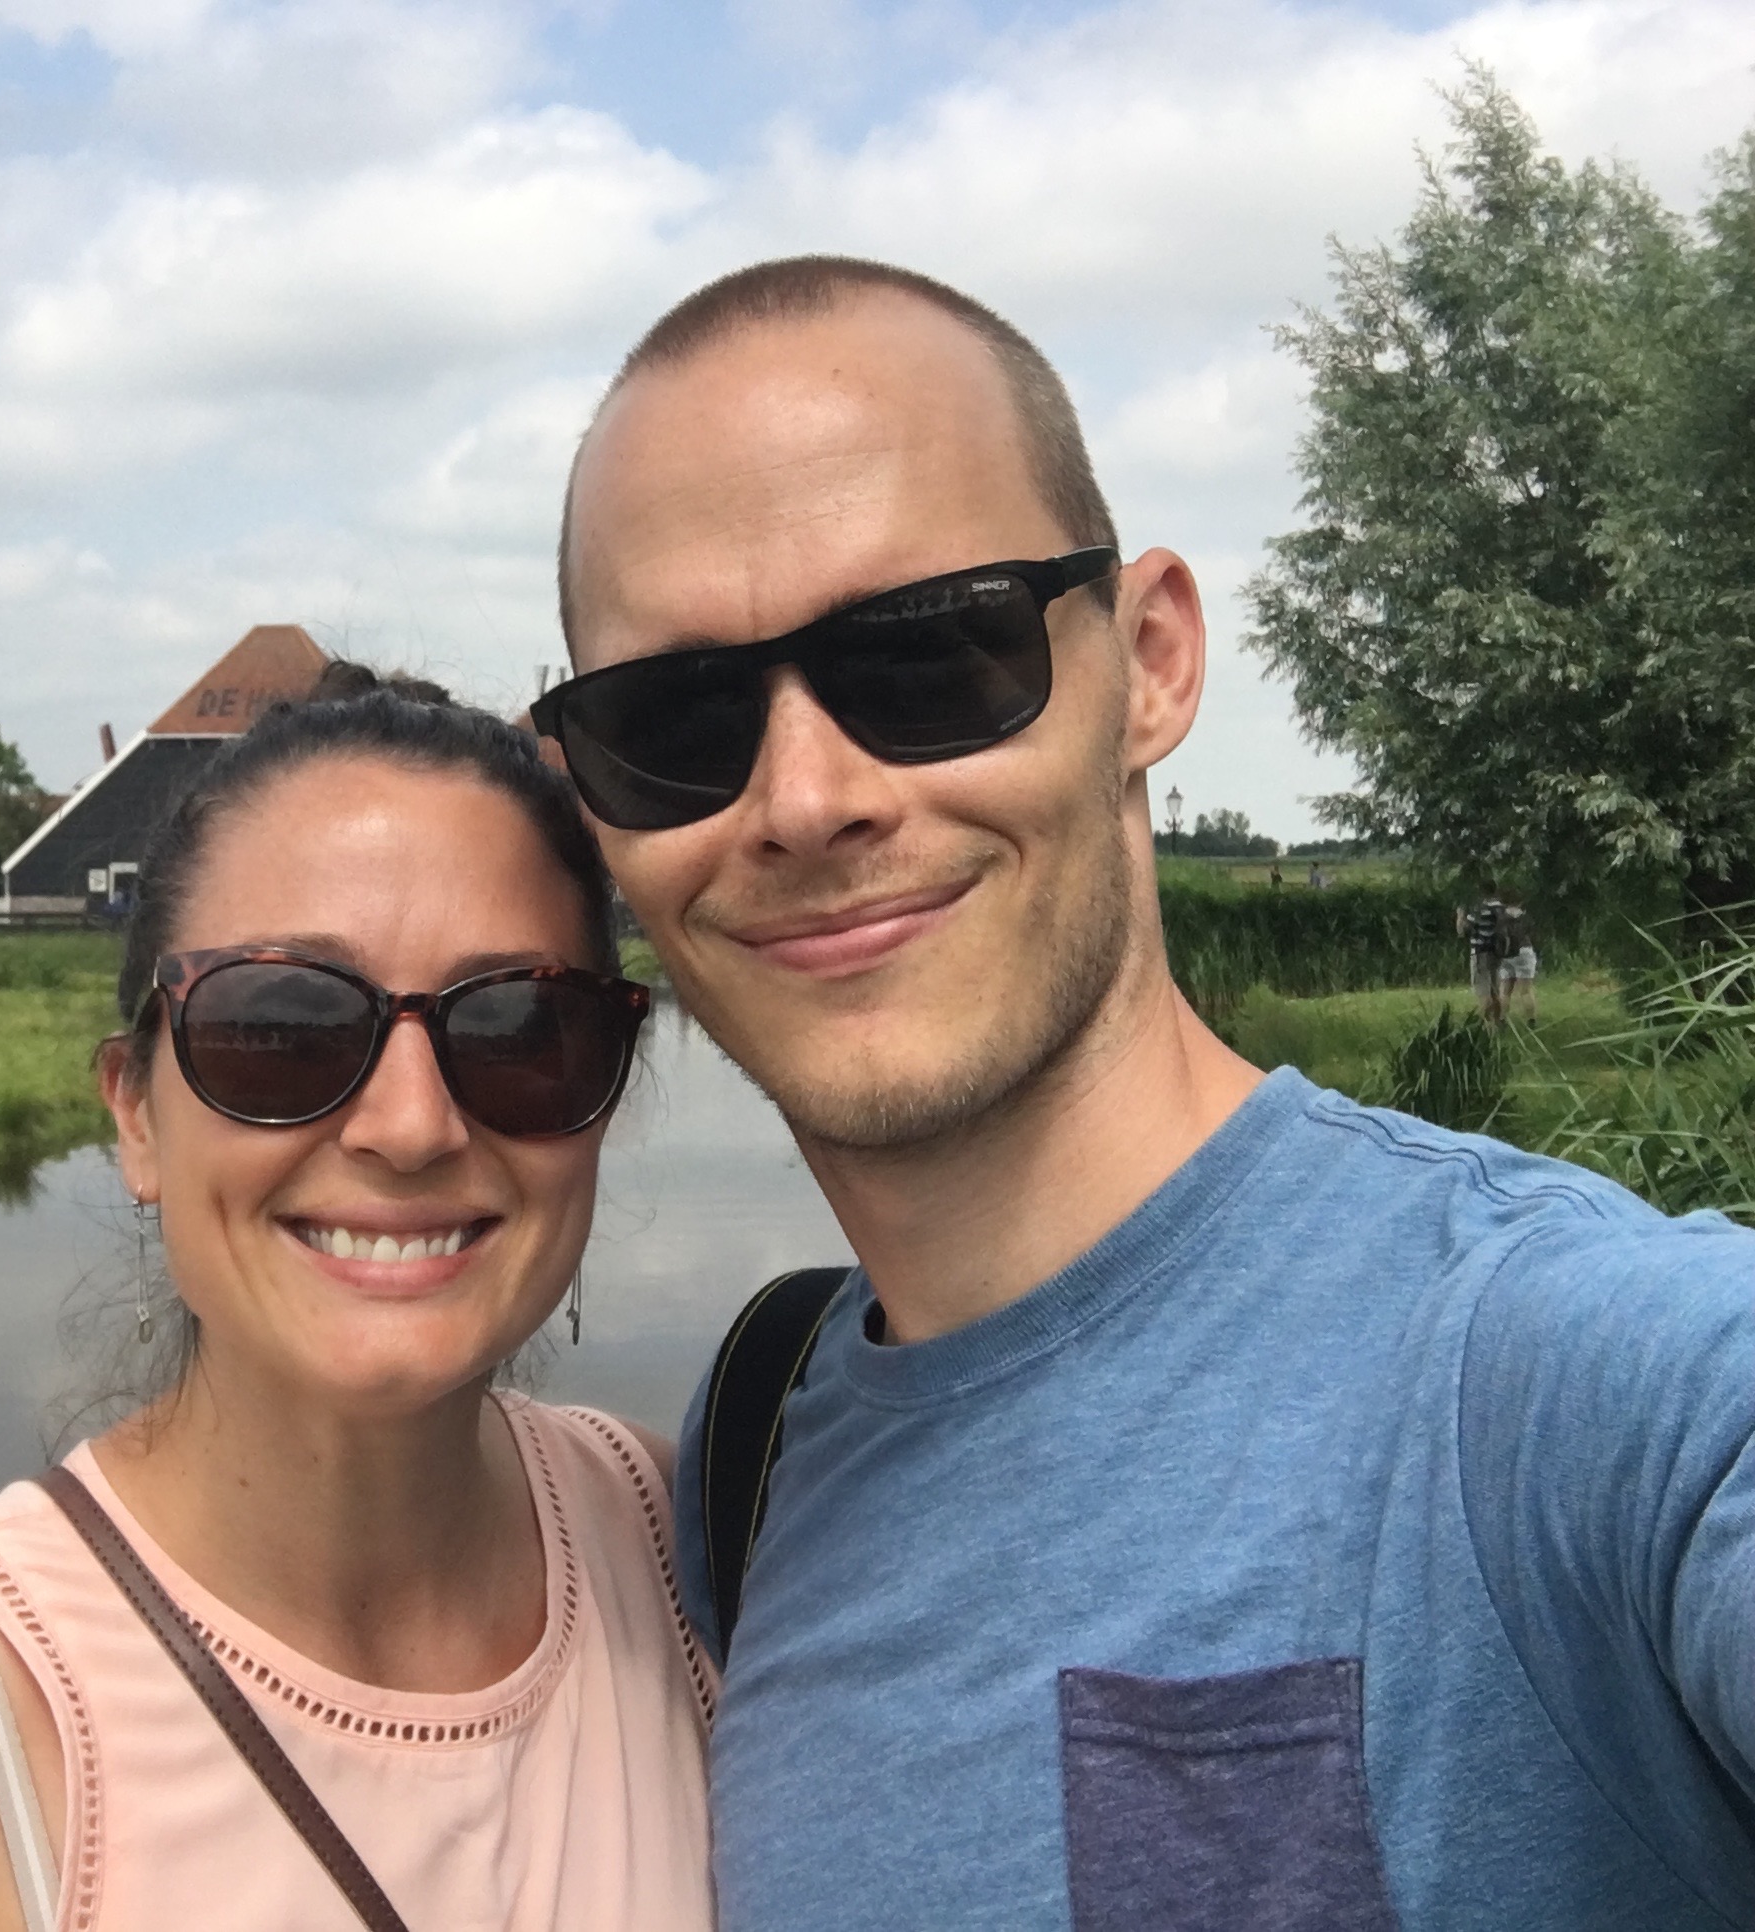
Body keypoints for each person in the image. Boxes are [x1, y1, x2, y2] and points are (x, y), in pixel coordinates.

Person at [543, 255, 1755, 1928]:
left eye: (927, 656)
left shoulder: (1574, 1378)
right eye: (675, 720)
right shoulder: (751, 1466)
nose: (806, 798)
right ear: (595, 803)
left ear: (1153, 662)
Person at [0, 667, 714, 1932]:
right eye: (280, 1027)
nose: (410, 1126)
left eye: (520, 1030)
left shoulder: (701, 1552)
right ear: (134, 1113)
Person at [1460, 877, 1508, 1023]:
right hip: (1497, 952)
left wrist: (1460, 916)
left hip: (1481, 952)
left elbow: (1463, 930)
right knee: (1495, 989)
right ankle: (1498, 1021)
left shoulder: (1480, 909)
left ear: (1482, 891)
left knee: (1483, 991)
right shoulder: (1502, 908)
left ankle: (1486, 1024)